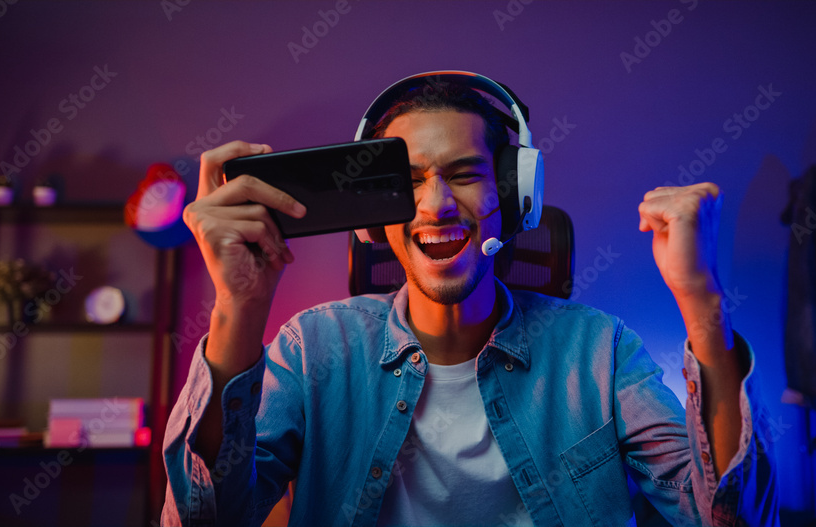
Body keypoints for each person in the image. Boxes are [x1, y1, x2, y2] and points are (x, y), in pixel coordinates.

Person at [162, 73, 778, 526]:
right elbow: (204, 521)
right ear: (372, 220)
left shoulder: (601, 351)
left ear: (514, 197)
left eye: (463, 173)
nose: (435, 205)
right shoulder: (313, 347)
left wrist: (704, 305)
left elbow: (730, 520)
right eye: (408, 183)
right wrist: (236, 308)